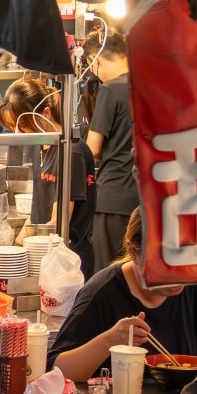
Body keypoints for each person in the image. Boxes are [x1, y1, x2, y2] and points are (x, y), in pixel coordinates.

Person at [51, 208, 197, 383]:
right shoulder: (101, 292)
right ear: (133, 251)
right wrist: (110, 340)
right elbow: (56, 370)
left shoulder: (196, 290)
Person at [0, 74, 91, 256]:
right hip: (43, 249)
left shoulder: (71, 151)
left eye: (22, 125)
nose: (18, 133)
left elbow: (58, 221)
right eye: (12, 127)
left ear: (46, 114)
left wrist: (22, 250)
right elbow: (37, 212)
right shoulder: (39, 146)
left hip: (68, 258)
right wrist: (15, 245)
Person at [86, 33, 137, 269]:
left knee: (110, 272)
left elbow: (92, 149)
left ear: (95, 59)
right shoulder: (157, 84)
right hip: (149, 197)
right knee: (139, 269)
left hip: (114, 196)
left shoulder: (111, 89)